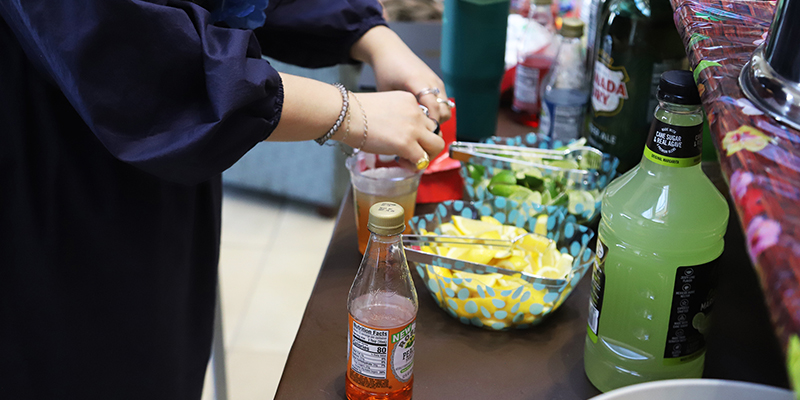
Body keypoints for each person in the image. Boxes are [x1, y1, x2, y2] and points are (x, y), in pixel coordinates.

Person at [0, 0, 449, 398]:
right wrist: (348, 111)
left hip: (168, 185)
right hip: (62, 185)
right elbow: (129, 57)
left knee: (166, 347)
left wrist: (374, 38)